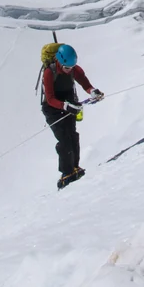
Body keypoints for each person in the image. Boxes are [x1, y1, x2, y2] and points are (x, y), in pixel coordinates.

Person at [40, 43, 103, 189]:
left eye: (71, 67)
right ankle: (66, 173)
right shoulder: (49, 72)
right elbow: (50, 98)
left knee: (73, 136)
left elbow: (84, 83)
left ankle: (75, 167)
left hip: (69, 106)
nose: (69, 70)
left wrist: (92, 91)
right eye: (67, 68)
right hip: (53, 109)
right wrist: (65, 106)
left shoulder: (74, 69)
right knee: (64, 138)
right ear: (59, 61)